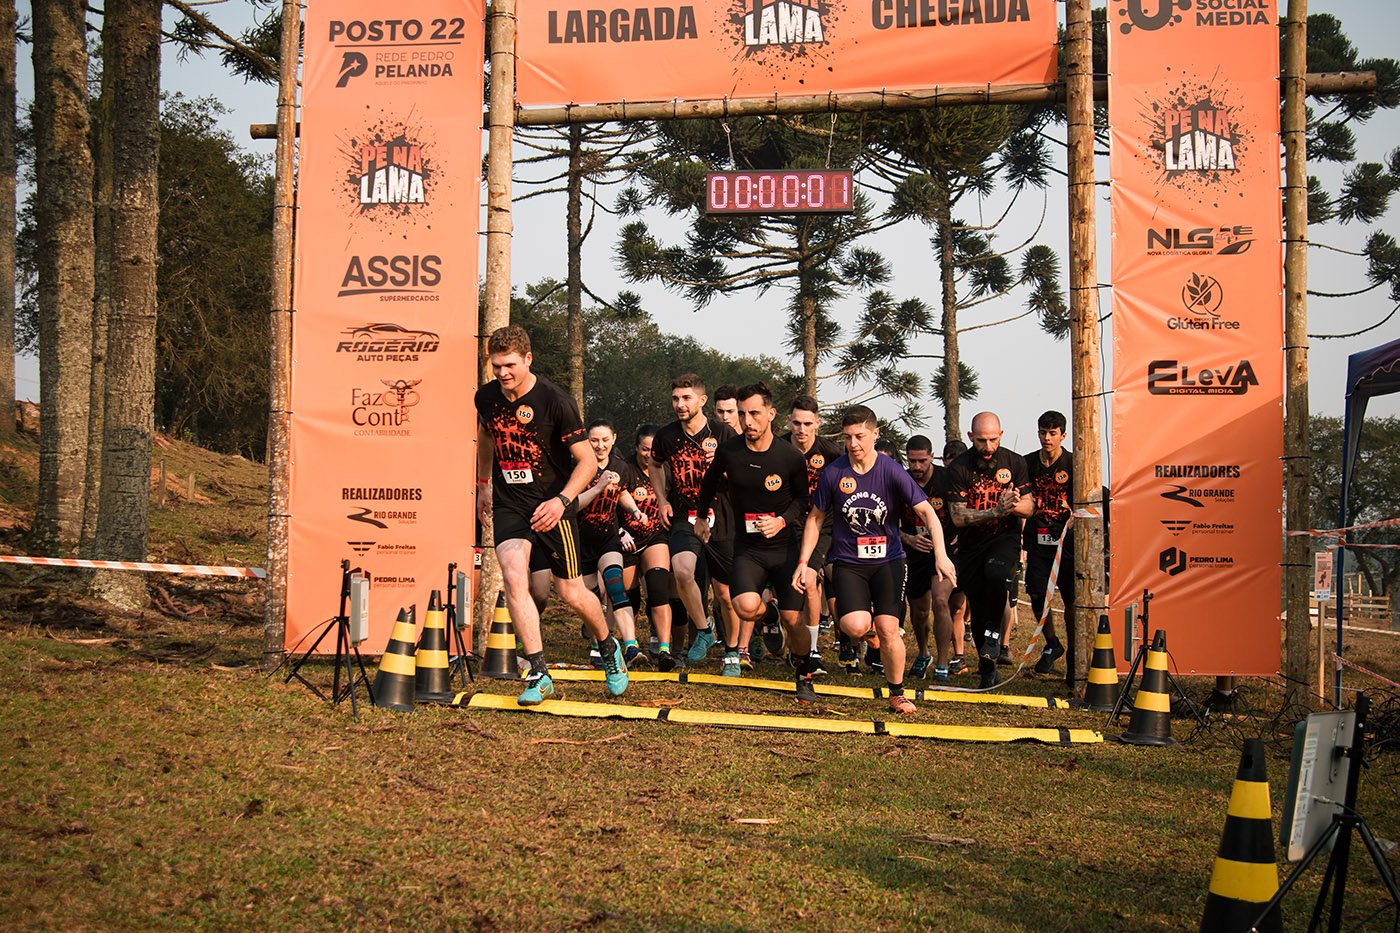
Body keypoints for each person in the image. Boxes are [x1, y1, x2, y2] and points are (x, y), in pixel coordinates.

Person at [474, 325, 627, 704]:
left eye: (510, 365)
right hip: (510, 503)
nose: (502, 373)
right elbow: (487, 435)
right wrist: (483, 483)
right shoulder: (486, 398)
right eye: (496, 366)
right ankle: (539, 672)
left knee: (571, 591)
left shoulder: (555, 401)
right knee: (514, 578)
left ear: (528, 359)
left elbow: (587, 461)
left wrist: (561, 500)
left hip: (553, 505)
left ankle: (608, 646)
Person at [795, 406, 956, 712]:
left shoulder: (890, 470)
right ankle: (869, 625)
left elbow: (928, 513)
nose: (853, 444)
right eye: (847, 438)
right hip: (849, 562)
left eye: (860, 436)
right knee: (855, 626)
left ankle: (897, 693)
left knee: (889, 628)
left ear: (875, 433)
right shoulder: (835, 472)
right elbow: (815, 518)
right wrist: (804, 563)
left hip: (888, 561)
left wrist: (941, 555)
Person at [695, 383, 810, 677]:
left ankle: (804, 673)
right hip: (748, 548)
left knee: (793, 620)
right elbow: (708, 482)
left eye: (755, 413)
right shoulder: (729, 451)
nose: (748, 421)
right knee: (744, 606)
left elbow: (802, 501)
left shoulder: (790, 456)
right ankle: (768, 615)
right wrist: (701, 517)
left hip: (784, 547)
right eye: (743, 414)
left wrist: (781, 520)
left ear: (771, 414)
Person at [647, 374, 737, 665]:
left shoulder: (723, 434)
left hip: (721, 515)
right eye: (675, 398)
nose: (680, 404)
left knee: (725, 594)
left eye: (686, 398)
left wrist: (723, 470)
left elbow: (742, 473)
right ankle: (704, 629)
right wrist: (661, 500)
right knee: (682, 571)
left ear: (702, 400)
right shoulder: (666, 436)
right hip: (685, 514)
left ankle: (733, 652)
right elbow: (654, 464)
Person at [946, 411, 1033, 690]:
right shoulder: (959, 467)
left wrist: (1013, 504)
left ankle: (995, 634)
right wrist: (996, 509)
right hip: (971, 544)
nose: (988, 446)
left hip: (1004, 538)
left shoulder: (1014, 462)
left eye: (993, 439)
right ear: (971, 437)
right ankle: (987, 666)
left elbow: (1029, 507)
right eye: (982, 440)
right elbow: (958, 517)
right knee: (977, 600)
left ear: (1001, 435)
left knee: (996, 575)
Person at [575, 420, 649, 666]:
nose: (600, 445)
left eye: (605, 440)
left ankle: (631, 647)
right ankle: (600, 645)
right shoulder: (579, 466)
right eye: (594, 440)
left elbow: (623, 492)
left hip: (608, 538)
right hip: (581, 542)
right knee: (591, 599)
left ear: (614, 439)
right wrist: (599, 487)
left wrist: (635, 510)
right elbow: (573, 504)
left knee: (616, 587)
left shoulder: (620, 467)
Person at [784, 395, 842, 674]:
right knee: (786, 587)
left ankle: (814, 650)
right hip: (785, 526)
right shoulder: (778, 448)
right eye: (797, 423)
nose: (801, 429)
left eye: (808, 423)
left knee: (809, 580)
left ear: (818, 423)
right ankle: (789, 641)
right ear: (788, 422)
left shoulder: (832, 453)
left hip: (821, 527)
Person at [901, 435, 966, 683]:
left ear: (932, 457)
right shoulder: (900, 480)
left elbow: (964, 510)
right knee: (918, 612)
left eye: (922, 461)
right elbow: (887, 522)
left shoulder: (947, 479)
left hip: (945, 551)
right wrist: (908, 539)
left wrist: (960, 536)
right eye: (912, 461)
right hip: (915, 551)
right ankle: (923, 653)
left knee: (940, 601)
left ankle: (942, 662)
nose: (917, 467)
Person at [616, 424, 677, 670]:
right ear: (636, 447)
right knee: (629, 597)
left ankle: (664, 649)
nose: (648, 454)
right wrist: (620, 532)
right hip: (627, 539)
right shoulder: (625, 469)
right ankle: (630, 647)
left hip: (656, 536)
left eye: (653, 450)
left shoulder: (666, 469)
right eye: (644, 449)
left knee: (658, 588)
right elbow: (611, 502)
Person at [1024, 410, 1075, 675]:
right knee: (1036, 595)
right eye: (1043, 432)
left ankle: (1075, 657)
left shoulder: (1073, 463)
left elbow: (1087, 503)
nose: (1047, 438)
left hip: (1067, 543)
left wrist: (1069, 523)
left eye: (1053, 433)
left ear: (1063, 435)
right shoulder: (1028, 463)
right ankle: (1052, 644)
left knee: (1071, 601)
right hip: (1037, 541)